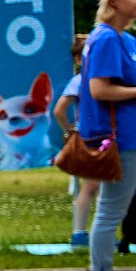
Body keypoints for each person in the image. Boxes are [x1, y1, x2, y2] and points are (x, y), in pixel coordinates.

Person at [79, 0, 136, 271]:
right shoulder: (107, 38)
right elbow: (99, 89)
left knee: (126, 206)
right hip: (119, 137)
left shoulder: (128, 41)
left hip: (135, 135)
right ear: (114, 0)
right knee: (111, 210)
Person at [53, 34, 98, 249]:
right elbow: (59, 110)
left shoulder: (83, 80)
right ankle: (80, 233)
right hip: (89, 138)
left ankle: (90, 233)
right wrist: (71, 130)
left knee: (96, 186)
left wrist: (70, 129)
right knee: (91, 186)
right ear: (78, 60)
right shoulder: (80, 81)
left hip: (93, 137)